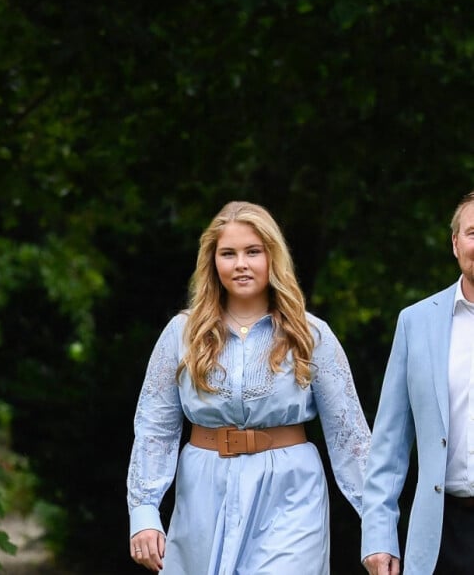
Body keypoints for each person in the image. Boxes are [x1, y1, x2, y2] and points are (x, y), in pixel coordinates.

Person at [127, 201, 371, 574]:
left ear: (272, 257)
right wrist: (144, 510)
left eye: (253, 252)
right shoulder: (181, 334)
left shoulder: (311, 334)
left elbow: (349, 435)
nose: (241, 263)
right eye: (228, 253)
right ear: (213, 262)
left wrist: (378, 524)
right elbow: (154, 428)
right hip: (204, 492)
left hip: (290, 491)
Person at [361, 190, 474, 575]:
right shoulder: (416, 323)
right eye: (473, 232)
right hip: (445, 532)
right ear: (455, 243)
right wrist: (378, 535)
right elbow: (389, 443)